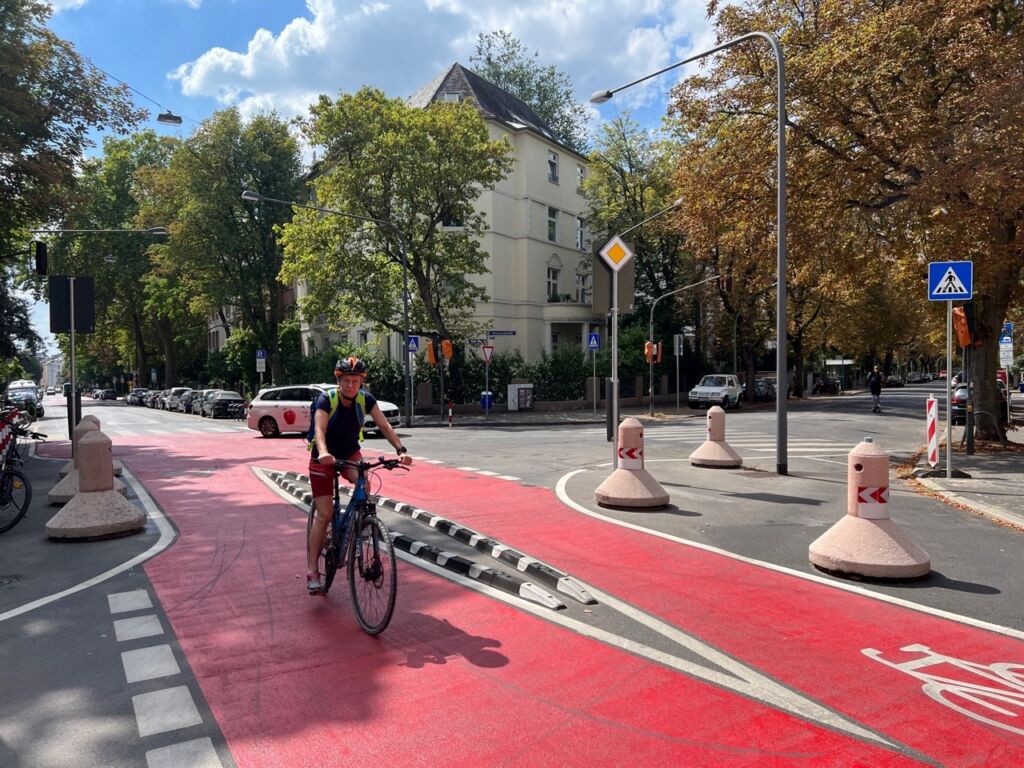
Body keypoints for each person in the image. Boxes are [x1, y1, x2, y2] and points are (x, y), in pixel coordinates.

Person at [306, 356, 411, 594]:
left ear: (362, 381)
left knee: (364, 485)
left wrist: (400, 450)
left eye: (355, 381)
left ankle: (360, 522)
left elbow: (384, 426)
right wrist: (323, 452)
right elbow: (320, 430)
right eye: (346, 380)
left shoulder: (366, 400)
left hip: (349, 454)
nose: (351, 385)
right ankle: (312, 571)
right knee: (324, 514)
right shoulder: (326, 399)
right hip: (323, 458)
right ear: (339, 380)